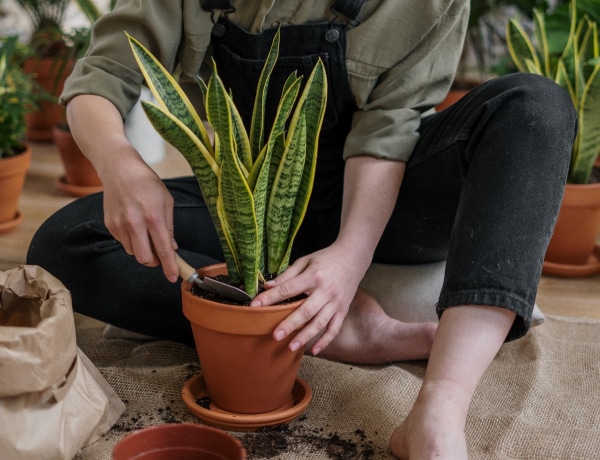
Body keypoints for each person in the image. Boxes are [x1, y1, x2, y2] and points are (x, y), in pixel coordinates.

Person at [27, 1, 577, 458]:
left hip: (389, 198)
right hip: (245, 208)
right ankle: (341, 334)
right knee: (66, 241)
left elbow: (389, 131)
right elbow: (102, 76)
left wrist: (350, 256)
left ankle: (438, 411)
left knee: (534, 105)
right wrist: (120, 162)